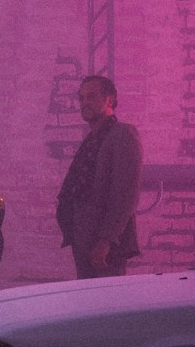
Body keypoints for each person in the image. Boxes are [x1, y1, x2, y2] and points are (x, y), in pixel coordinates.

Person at [56, 75, 142, 278]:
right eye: (82, 98)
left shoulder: (122, 134)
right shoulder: (94, 139)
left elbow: (125, 195)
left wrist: (106, 240)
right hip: (84, 237)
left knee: (106, 302)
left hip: (104, 245)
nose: (85, 103)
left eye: (92, 96)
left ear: (110, 99)